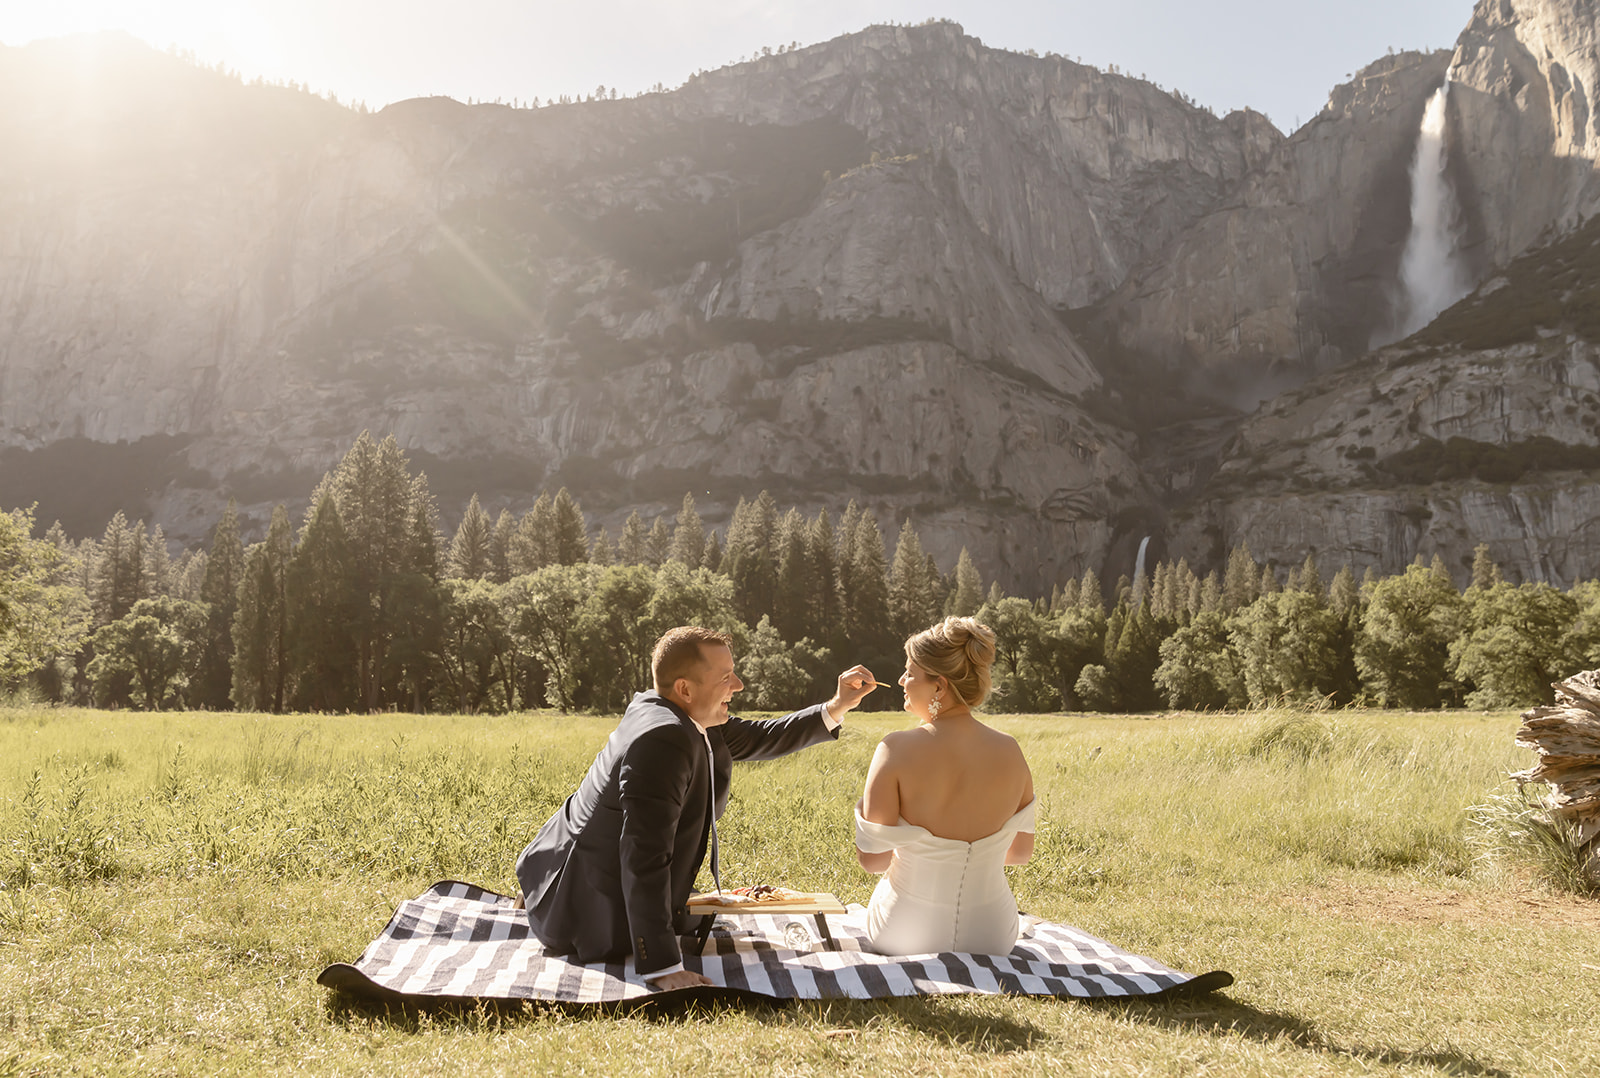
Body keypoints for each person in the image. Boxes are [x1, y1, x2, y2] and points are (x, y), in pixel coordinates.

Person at [516, 625, 877, 990]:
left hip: (563, 869)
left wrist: (837, 706)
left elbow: (760, 737)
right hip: (584, 915)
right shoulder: (664, 739)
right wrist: (661, 966)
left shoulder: (673, 709)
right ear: (685, 688)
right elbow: (644, 854)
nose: (738, 685)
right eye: (725, 677)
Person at [854, 616, 1035, 956]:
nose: (901, 680)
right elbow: (1021, 853)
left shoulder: (894, 749)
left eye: (910, 672)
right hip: (994, 936)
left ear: (939, 686)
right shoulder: (1011, 750)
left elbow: (872, 860)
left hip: (903, 931)